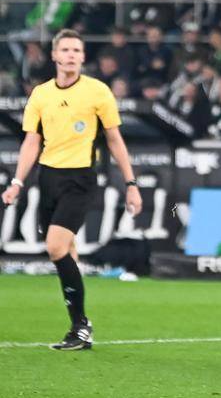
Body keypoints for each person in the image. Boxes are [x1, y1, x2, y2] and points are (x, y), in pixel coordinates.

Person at [2, 29, 142, 351]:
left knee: (55, 247)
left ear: (82, 57)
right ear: (54, 55)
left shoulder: (97, 92)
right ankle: (78, 329)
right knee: (66, 252)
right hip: (48, 178)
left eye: (76, 50)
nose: (70, 55)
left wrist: (131, 184)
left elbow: (115, 140)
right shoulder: (41, 94)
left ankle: (81, 325)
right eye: (65, 50)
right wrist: (17, 183)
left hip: (80, 178)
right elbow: (32, 141)